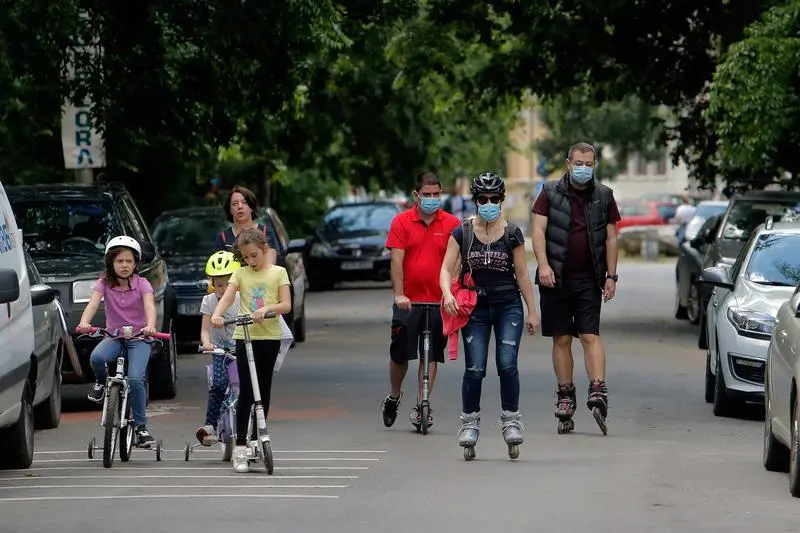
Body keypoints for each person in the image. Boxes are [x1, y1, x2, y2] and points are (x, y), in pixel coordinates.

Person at [440, 172, 539, 458]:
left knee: (507, 363)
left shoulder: (512, 234)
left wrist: (532, 311)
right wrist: (447, 294)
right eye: (483, 199)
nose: (489, 203)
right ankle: (469, 422)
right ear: (475, 201)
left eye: (494, 199)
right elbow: (446, 269)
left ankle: (511, 420)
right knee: (475, 367)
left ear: (501, 200)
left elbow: (521, 274)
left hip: (508, 304)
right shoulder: (462, 232)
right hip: (476, 308)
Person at [531, 141, 621, 435]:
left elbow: (611, 238)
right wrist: (543, 265)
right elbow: (538, 231)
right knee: (561, 338)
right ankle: (566, 395)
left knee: (589, 334)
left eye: (589, 164)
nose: (583, 168)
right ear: (568, 163)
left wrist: (611, 276)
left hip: (589, 279)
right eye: (578, 163)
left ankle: (598, 388)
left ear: (595, 166)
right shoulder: (549, 193)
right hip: (555, 278)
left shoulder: (604, 196)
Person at [381, 171, 460, 430]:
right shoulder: (402, 222)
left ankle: (422, 402)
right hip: (409, 301)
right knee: (400, 353)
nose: (432, 199)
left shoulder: (451, 224)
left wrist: (452, 293)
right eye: (427, 195)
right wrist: (399, 293)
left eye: (437, 194)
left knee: (432, 353)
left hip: (439, 301)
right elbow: (396, 260)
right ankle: (394, 395)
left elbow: (456, 261)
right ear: (417, 195)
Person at [211, 228, 291, 473]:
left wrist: (267, 309)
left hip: (269, 336)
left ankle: (257, 438)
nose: (251, 261)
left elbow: (286, 305)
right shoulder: (240, 274)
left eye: (255, 255)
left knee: (263, 390)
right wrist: (218, 313)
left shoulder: (278, 272)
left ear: (265, 250)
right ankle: (241, 447)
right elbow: (227, 297)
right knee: (246, 391)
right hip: (245, 337)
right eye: (246, 257)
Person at [78, 236, 159, 448]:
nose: (124, 265)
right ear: (111, 263)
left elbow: (150, 306)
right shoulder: (103, 283)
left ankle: (141, 427)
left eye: (129, 261)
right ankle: (101, 383)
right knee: (97, 357)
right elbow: (93, 304)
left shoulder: (143, 284)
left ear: (136, 264)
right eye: (119, 261)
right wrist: (84, 322)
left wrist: (151, 325)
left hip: (139, 338)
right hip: (114, 336)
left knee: (136, 378)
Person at [195, 250, 242, 446]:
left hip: (241, 347)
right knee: (219, 385)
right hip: (220, 349)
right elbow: (205, 330)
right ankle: (210, 425)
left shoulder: (243, 299)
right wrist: (207, 343)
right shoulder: (209, 301)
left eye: (226, 284)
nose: (221, 289)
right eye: (218, 284)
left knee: (246, 385)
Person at [213, 184, 277, 266]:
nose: (240, 206)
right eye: (234, 203)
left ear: (251, 207)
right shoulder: (223, 238)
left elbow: (270, 267)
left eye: (244, 202)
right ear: (230, 210)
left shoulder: (266, 232)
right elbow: (217, 269)